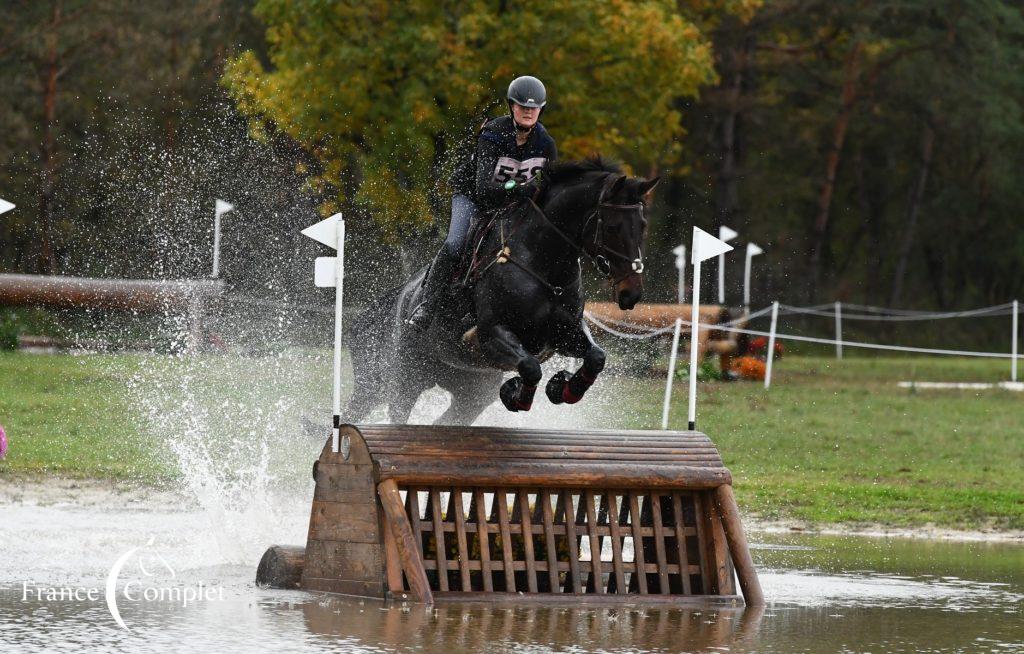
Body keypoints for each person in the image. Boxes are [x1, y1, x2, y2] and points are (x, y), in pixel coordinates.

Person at [407, 75, 558, 330]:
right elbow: (485, 188)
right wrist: (521, 188)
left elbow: (550, 190)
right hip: (473, 197)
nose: (528, 112)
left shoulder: (546, 145)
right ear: (512, 107)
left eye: (533, 108)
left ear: (540, 110)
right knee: (456, 242)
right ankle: (427, 305)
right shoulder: (493, 134)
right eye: (523, 107)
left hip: (511, 204)